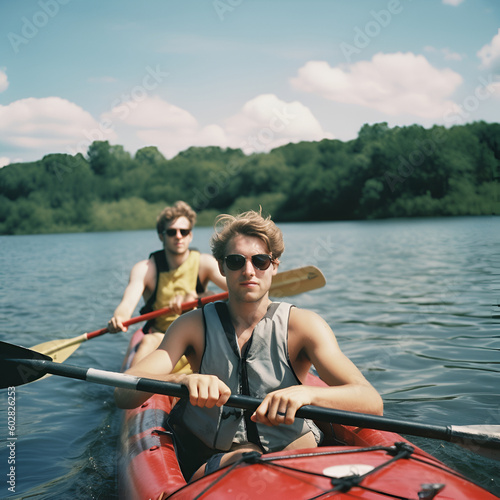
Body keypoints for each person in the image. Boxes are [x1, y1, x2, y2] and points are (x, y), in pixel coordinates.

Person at [115, 209, 383, 480]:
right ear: (221, 266)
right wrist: (180, 380)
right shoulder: (191, 326)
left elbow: (371, 401)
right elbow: (123, 393)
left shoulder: (305, 326)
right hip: (216, 456)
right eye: (235, 261)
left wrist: (307, 395)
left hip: (294, 456)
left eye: (260, 261)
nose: (248, 271)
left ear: (275, 265)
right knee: (244, 458)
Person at [108, 200, 227, 365]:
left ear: (190, 235)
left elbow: (235, 290)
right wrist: (119, 318)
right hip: (160, 337)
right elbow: (127, 305)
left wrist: (201, 296)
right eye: (172, 232)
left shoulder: (205, 263)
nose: (178, 236)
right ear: (161, 236)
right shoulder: (146, 269)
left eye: (184, 231)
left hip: (195, 335)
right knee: (148, 341)